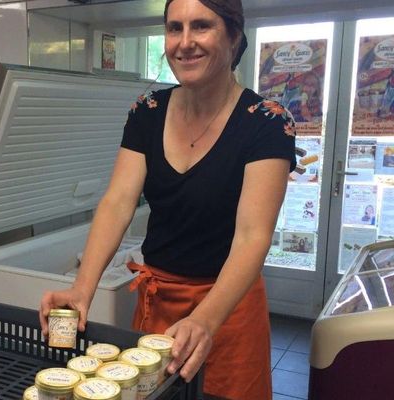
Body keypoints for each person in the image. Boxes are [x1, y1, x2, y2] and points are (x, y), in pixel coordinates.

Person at [39, 0, 296, 398]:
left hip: (227, 309)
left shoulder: (265, 121)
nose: (185, 42)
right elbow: (118, 202)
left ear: (234, 37)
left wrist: (206, 320)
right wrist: (81, 288)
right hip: (158, 304)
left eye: (201, 26)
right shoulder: (148, 111)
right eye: (174, 28)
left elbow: (252, 236)